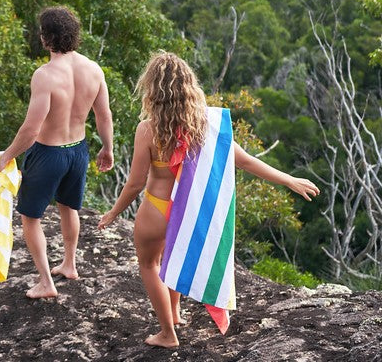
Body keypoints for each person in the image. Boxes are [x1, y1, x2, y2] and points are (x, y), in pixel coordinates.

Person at [97, 52, 319, 348]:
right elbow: (246, 162)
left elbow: (136, 183)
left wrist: (113, 212)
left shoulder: (147, 130)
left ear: (152, 89)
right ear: (188, 86)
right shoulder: (205, 125)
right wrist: (288, 179)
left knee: (149, 265)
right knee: (172, 257)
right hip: (187, 210)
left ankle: (167, 334)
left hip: (156, 208)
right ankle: (175, 313)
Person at [0, 6, 114, 299]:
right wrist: (108, 148)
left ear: (47, 38)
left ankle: (46, 282)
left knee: (30, 217)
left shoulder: (45, 75)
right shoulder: (94, 69)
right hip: (78, 151)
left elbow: (31, 130)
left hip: (48, 154)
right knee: (68, 207)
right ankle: (70, 264)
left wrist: (7, 155)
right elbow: (104, 115)